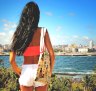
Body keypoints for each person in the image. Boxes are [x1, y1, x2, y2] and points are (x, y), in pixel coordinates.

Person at [9, 1, 55, 91]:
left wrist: (18, 70)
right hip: (41, 70)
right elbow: (52, 55)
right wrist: (49, 72)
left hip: (26, 71)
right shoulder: (43, 31)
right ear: (37, 16)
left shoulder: (19, 33)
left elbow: (11, 60)